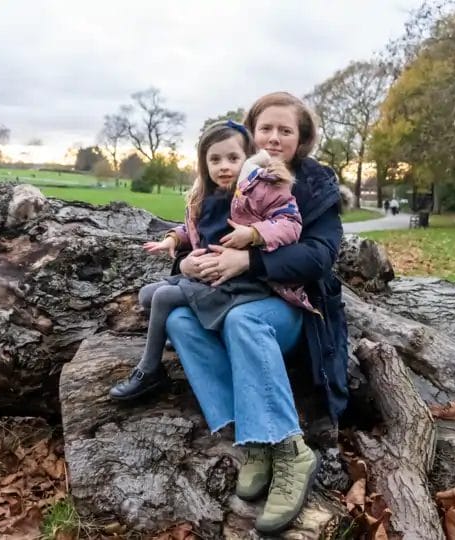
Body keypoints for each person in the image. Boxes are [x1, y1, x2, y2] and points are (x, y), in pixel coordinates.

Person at [166, 92, 347, 535]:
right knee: (178, 321)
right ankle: (255, 443)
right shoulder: (235, 175)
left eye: (286, 130)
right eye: (266, 128)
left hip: (290, 305)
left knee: (243, 321)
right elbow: (194, 234)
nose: (275, 137)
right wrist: (182, 263)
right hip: (226, 297)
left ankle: (289, 452)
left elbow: (319, 257)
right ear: (251, 132)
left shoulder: (315, 184)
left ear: (301, 137)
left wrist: (249, 261)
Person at [109, 120, 314, 401]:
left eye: (233, 158)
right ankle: (187, 329)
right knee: (146, 295)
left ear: (247, 159)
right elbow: (196, 228)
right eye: (215, 160)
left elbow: (290, 224)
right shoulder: (204, 195)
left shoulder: (259, 190)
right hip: (206, 276)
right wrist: (173, 239)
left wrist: (254, 233)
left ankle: (150, 370)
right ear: (204, 164)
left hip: (240, 281)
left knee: (164, 298)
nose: (224, 166)